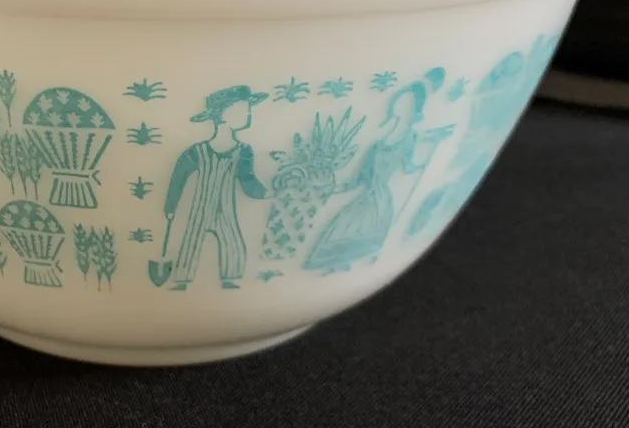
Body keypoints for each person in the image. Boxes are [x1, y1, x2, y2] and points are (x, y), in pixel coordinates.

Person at [303, 69, 451, 274]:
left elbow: (408, 167)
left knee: (358, 229)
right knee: (344, 225)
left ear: (415, 111)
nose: (402, 108)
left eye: (408, 105)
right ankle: (333, 265)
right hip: (367, 195)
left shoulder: (407, 141)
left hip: (380, 200)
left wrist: (428, 161)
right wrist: (334, 188)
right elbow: (360, 177)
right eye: (401, 101)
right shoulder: (377, 145)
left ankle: (344, 266)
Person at [161, 85, 269, 290]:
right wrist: (170, 206)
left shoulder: (243, 151)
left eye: (248, 109)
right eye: (242, 109)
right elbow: (178, 178)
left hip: (226, 207)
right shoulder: (197, 151)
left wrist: (266, 193)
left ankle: (230, 278)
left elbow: (248, 181)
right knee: (192, 238)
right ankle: (182, 279)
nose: (248, 113)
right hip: (201, 206)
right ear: (223, 114)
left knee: (232, 240)